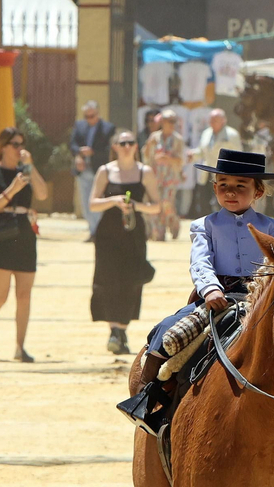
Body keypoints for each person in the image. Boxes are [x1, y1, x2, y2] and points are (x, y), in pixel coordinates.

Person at [119, 149, 274, 433]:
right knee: (167, 331)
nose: (230, 192)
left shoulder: (272, 227)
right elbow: (200, 262)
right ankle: (148, 399)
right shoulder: (204, 225)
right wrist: (209, 289)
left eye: (239, 186)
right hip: (217, 298)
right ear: (214, 188)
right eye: (224, 186)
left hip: (261, 297)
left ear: (258, 191)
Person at [0, 127, 48, 362]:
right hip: (2, 235)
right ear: (3, 146)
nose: (19, 148)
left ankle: (20, 347)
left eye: (21, 144)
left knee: (24, 294)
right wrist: (12, 189)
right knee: (1, 295)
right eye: (15, 144)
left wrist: (31, 166)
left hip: (24, 234)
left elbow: (43, 194)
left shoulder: (25, 172)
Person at [88, 130, 161, 354]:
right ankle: (114, 331)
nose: (127, 146)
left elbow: (156, 206)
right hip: (108, 234)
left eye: (131, 143)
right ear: (116, 147)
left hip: (134, 233)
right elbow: (93, 204)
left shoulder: (144, 172)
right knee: (108, 278)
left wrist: (136, 206)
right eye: (123, 143)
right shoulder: (105, 171)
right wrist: (113, 200)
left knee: (132, 278)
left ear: (136, 147)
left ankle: (122, 328)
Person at [70, 101, 115, 238]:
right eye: (87, 116)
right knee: (85, 204)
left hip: (99, 171)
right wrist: (79, 153)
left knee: (98, 202)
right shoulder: (79, 125)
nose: (89, 119)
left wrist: (93, 152)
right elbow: (72, 144)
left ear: (98, 114)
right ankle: (93, 230)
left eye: (92, 116)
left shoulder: (108, 128)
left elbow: (109, 150)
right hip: (83, 170)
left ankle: (98, 232)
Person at [143, 109, 187, 241]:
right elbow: (146, 155)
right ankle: (159, 233)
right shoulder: (154, 137)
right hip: (156, 176)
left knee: (166, 203)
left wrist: (167, 158)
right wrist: (148, 146)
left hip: (170, 177)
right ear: (162, 122)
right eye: (169, 121)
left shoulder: (178, 140)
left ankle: (174, 223)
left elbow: (181, 160)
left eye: (173, 121)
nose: (171, 124)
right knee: (156, 204)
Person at [192, 109, 242, 216]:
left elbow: (239, 155)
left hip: (224, 174)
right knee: (203, 200)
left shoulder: (232, 135)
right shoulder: (206, 133)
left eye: (215, 120)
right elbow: (202, 151)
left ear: (223, 121)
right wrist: (192, 155)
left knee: (223, 201)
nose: (212, 122)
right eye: (211, 120)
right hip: (207, 172)